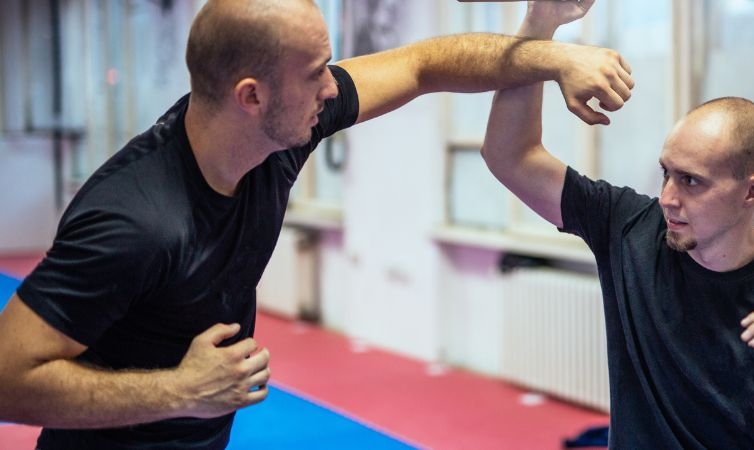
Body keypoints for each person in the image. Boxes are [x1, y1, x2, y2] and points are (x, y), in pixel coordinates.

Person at [0, 0, 631, 448]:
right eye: (315, 74)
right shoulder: (134, 219)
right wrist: (180, 392)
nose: (332, 88)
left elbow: (423, 64)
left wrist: (550, 54)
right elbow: (7, 381)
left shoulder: (278, 136)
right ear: (252, 96)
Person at [481, 2, 754, 449]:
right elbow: (510, 156)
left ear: (752, 191)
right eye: (666, 173)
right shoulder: (628, 226)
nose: (667, 198)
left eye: (691, 181)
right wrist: (541, 24)